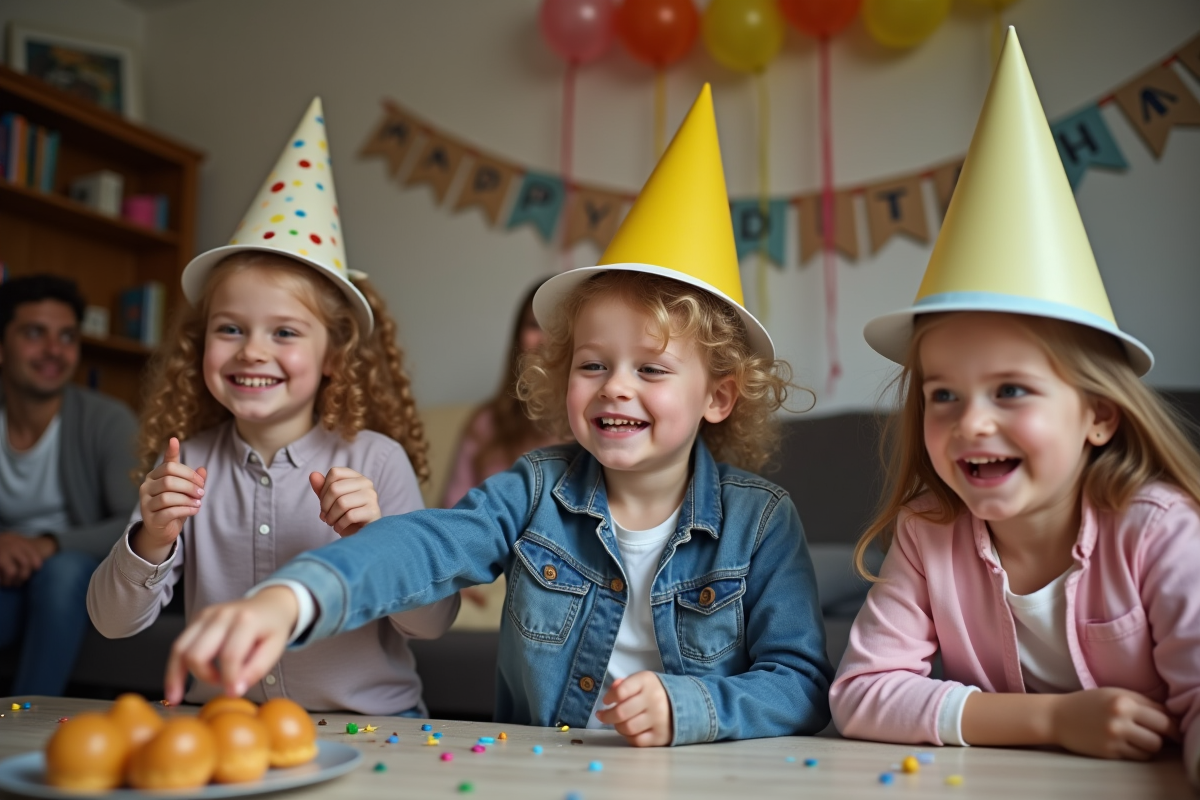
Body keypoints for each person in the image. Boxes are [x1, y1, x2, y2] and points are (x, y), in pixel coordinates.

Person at [161, 85, 833, 747]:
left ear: (718, 396)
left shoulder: (761, 520)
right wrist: (292, 598)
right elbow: (425, 545)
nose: (614, 390)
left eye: (651, 369)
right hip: (543, 772)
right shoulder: (534, 490)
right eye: (592, 365)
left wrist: (689, 707)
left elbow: (801, 683)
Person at [831, 29, 1200, 786]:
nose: (970, 422)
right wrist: (1052, 720)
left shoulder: (1158, 533)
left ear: (1098, 413)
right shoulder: (929, 535)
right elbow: (861, 694)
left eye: (1011, 391)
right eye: (943, 396)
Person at [86, 98, 458, 715]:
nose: (252, 352)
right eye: (229, 329)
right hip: (226, 727)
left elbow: (432, 622)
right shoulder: (185, 462)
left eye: (284, 333)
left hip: (367, 730)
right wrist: (149, 539)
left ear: (334, 355)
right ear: (199, 346)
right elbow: (111, 623)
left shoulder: (376, 460)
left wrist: (381, 537)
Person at [0, 274, 138, 696]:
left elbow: (135, 522)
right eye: (35, 333)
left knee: (60, 573)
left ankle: (25, 734)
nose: (53, 351)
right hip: (7, 572)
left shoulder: (109, 421)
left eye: (67, 337)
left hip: (74, 570)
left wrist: (49, 544)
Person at [441, 280, 560, 509]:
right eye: (535, 325)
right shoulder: (486, 422)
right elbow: (451, 513)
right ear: (518, 336)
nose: (545, 339)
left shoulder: (592, 424)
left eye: (557, 328)